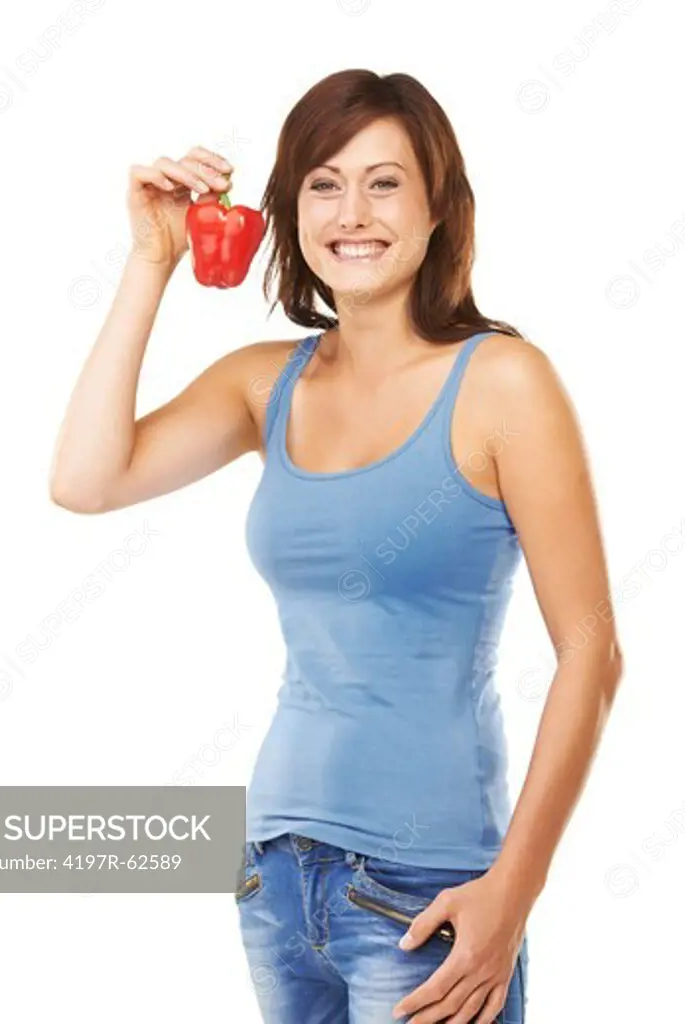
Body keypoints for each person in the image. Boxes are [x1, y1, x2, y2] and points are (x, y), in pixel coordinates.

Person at [49, 68, 624, 1024]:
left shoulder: (503, 383)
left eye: (384, 182)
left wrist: (512, 894)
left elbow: (590, 653)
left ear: (438, 205)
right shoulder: (262, 384)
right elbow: (84, 480)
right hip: (273, 876)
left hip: (425, 888)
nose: (352, 212)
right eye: (323, 182)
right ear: (288, 210)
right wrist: (151, 259)